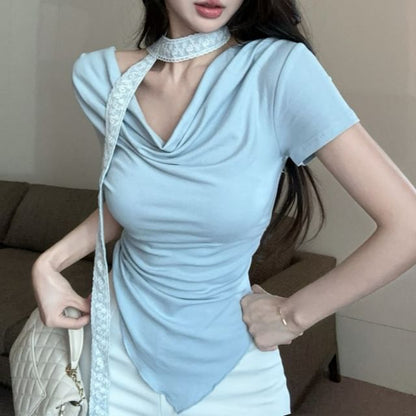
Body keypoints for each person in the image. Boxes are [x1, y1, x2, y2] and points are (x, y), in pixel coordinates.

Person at [31, 0, 416, 415]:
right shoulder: (101, 78)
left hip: (233, 365)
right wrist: (48, 263)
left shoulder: (278, 71)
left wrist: (293, 316)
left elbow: (407, 226)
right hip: (115, 352)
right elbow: (135, 203)